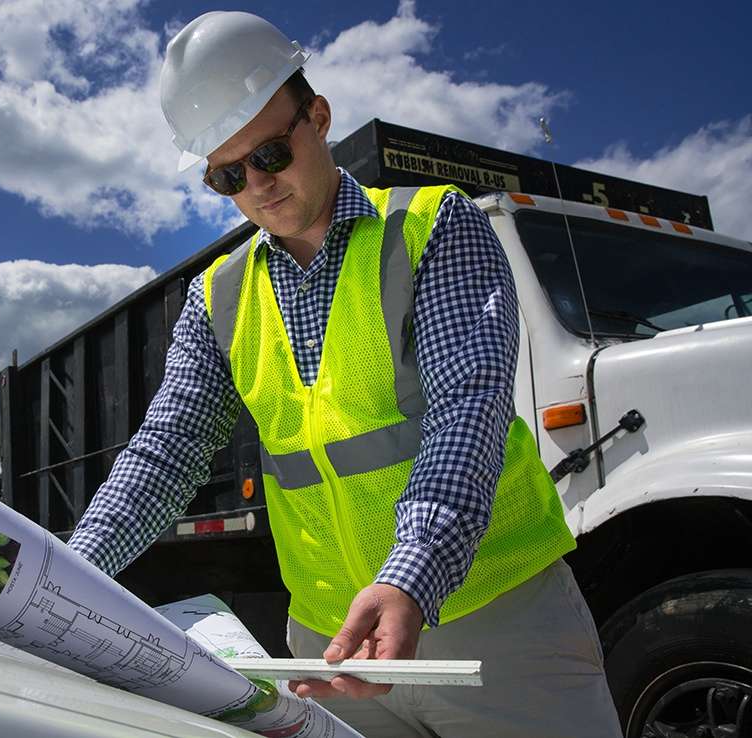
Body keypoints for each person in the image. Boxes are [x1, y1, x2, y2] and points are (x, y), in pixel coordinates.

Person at [67, 11, 623, 737]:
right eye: (227, 175)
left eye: (269, 153)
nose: (257, 186)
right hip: (326, 652)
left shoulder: (431, 227)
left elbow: (468, 409)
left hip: (500, 629)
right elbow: (165, 453)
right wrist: (63, 579)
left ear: (318, 116)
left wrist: (411, 576)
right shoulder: (218, 299)